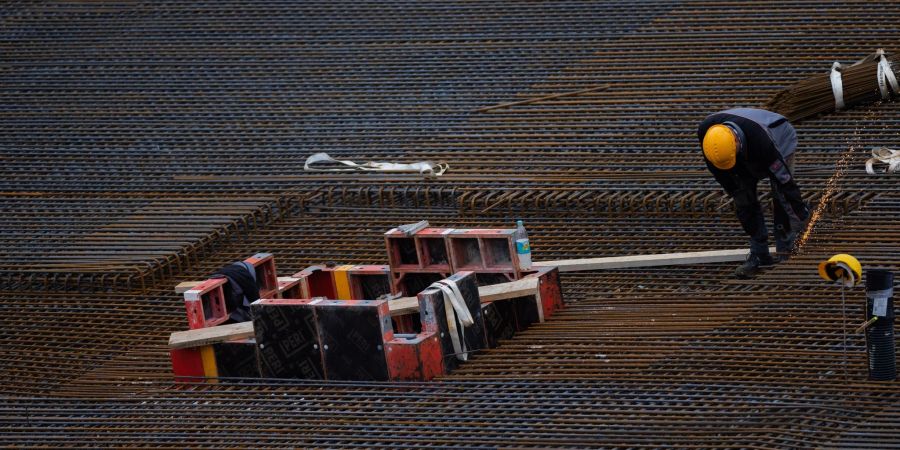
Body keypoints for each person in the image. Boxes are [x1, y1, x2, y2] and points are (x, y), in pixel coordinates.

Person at [698, 108, 810, 279]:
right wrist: (738, 193)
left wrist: (800, 217)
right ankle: (759, 253)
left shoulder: (762, 143)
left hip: (780, 137)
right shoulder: (708, 137)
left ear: (737, 142)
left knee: (781, 195)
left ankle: (786, 250)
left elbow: (785, 183)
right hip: (740, 153)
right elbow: (729, 183)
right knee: (743, 197)